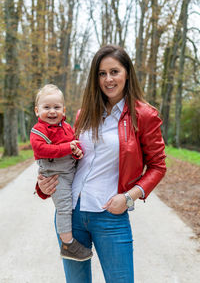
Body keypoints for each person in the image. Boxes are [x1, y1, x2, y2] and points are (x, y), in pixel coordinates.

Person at [35, 45, 166, 283]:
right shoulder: (83, 114)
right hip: (71, 213)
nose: (108, 79)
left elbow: (158, 166)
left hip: (110, 215)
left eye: (114, 71)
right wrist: (43, 186)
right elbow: (67, 160)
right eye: (102, 73)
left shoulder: (144, 115)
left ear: (127, 73)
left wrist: (128, 197)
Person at [30, 84, 93, 261]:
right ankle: (67, 244)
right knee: (64, 206)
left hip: (70, 170)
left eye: (56, 107)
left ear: (63, 110)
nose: (52, 111)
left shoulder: (66, 127)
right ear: (37, 110)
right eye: (46, 107)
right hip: (55, 174)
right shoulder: (38, 131)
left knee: (69, 203)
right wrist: (67, 148)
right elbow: (41, 149)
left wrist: (77, 151)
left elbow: (74, 142)